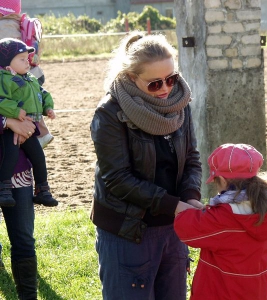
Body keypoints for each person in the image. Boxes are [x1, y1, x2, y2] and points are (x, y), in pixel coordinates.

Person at [90, 31, 203, 300]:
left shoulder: (179, 103)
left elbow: (191, 157)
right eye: (154, 84)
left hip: (173, 228)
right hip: (128, 232)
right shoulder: (109, 113)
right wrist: (175, 205)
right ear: (131, 77)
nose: (165, 89)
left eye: (171, 79)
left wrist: (191, 196)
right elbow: (117, 179)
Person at [174, 143, 267, 300]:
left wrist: (171, 203)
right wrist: (204, 212)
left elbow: (186, 228)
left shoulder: (223, 217)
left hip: (220, 294)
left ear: (221, 180)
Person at [0, 38, 58, 207]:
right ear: (7, 62)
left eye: (27, 58)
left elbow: (43, 92)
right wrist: (16, 112)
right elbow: (1, 100)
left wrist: (48, 107)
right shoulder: (4, 79)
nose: (27, 62)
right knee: (9, 155)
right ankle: (3, 188)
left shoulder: (30, 78)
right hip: (11, 128)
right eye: (22, 59)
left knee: (39, 157)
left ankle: (42, 190)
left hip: (29, 128)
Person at [0, 0, 54, 148]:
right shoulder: (20, 24)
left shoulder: (4, 27)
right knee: (32, 105)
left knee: (19, 110)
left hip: (17, 77)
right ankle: (42, 133)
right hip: (32, 73)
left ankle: (28, 135)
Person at [0, 114, 39, 299]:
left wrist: (27, 126)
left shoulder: (21, 82)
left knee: (24, 240)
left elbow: (32, 101)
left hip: (18, 171)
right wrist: (6, 122)